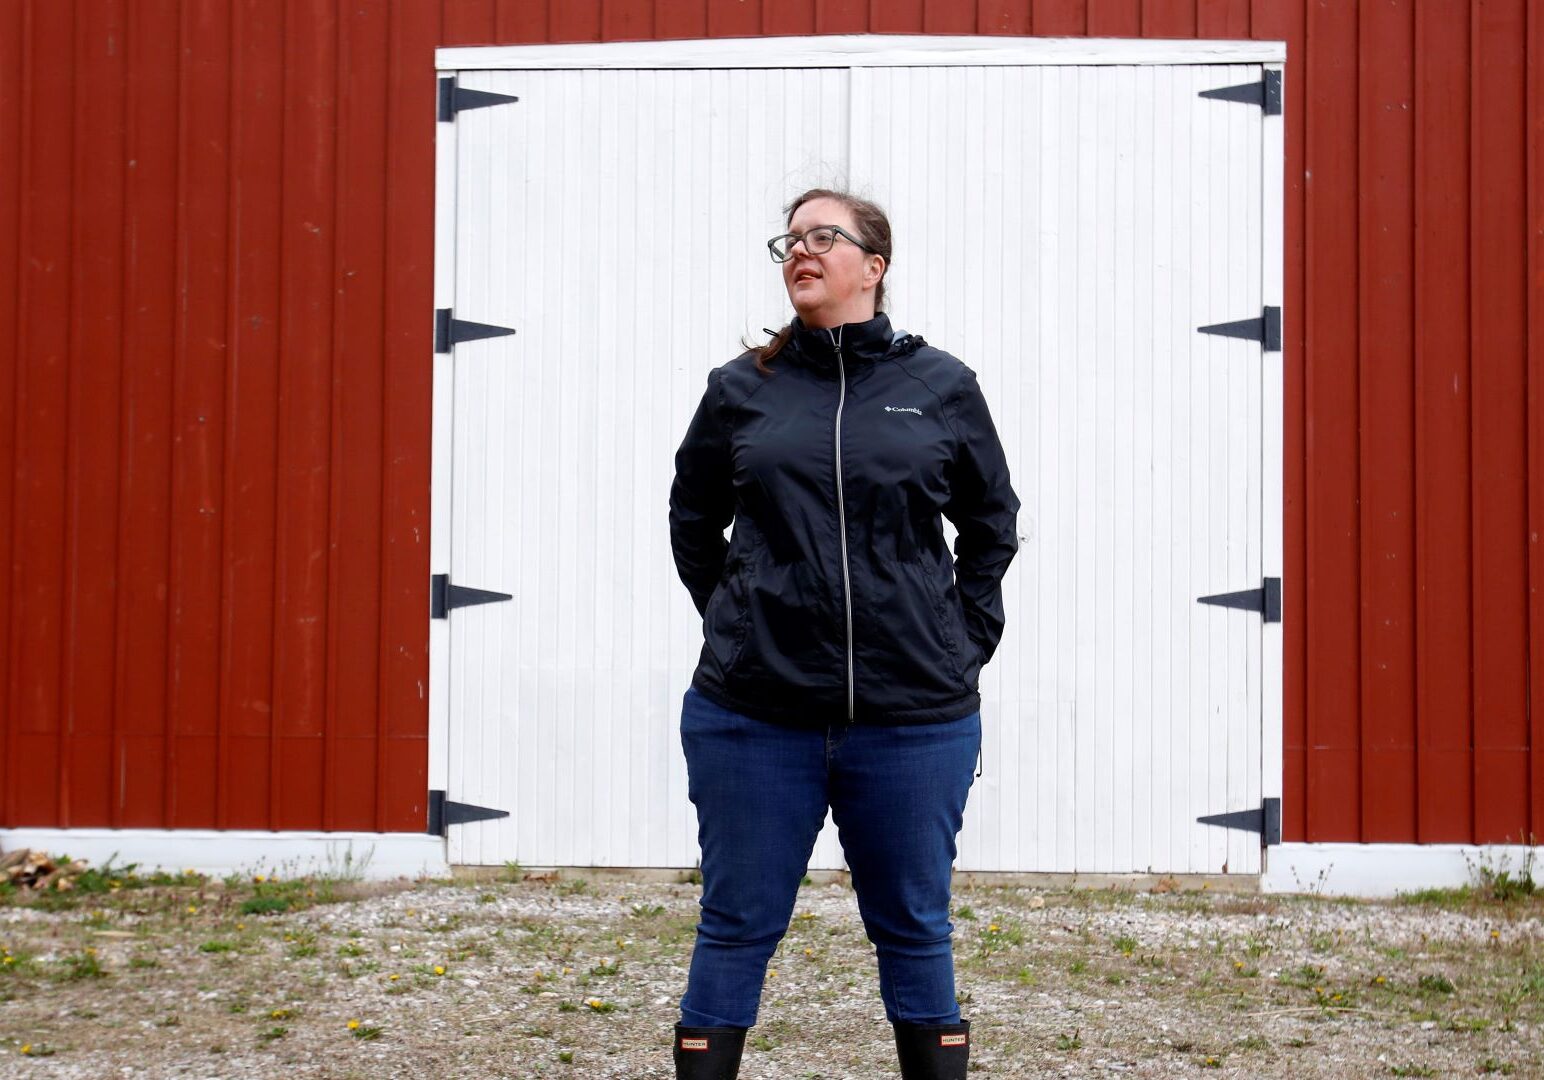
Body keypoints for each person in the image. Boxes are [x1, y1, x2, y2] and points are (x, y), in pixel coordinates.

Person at [667, 188, 1020, 1080]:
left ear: (876, 265)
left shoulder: (939, 386)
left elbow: (991, 524)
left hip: (912, 719)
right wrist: (738, 624)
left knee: (913, 927)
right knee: (736, 921)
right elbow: (692, 516)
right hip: (754, 716)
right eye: (790, 239)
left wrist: (959, 640)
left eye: (825, 236)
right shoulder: (742, 389)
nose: (801, 251)